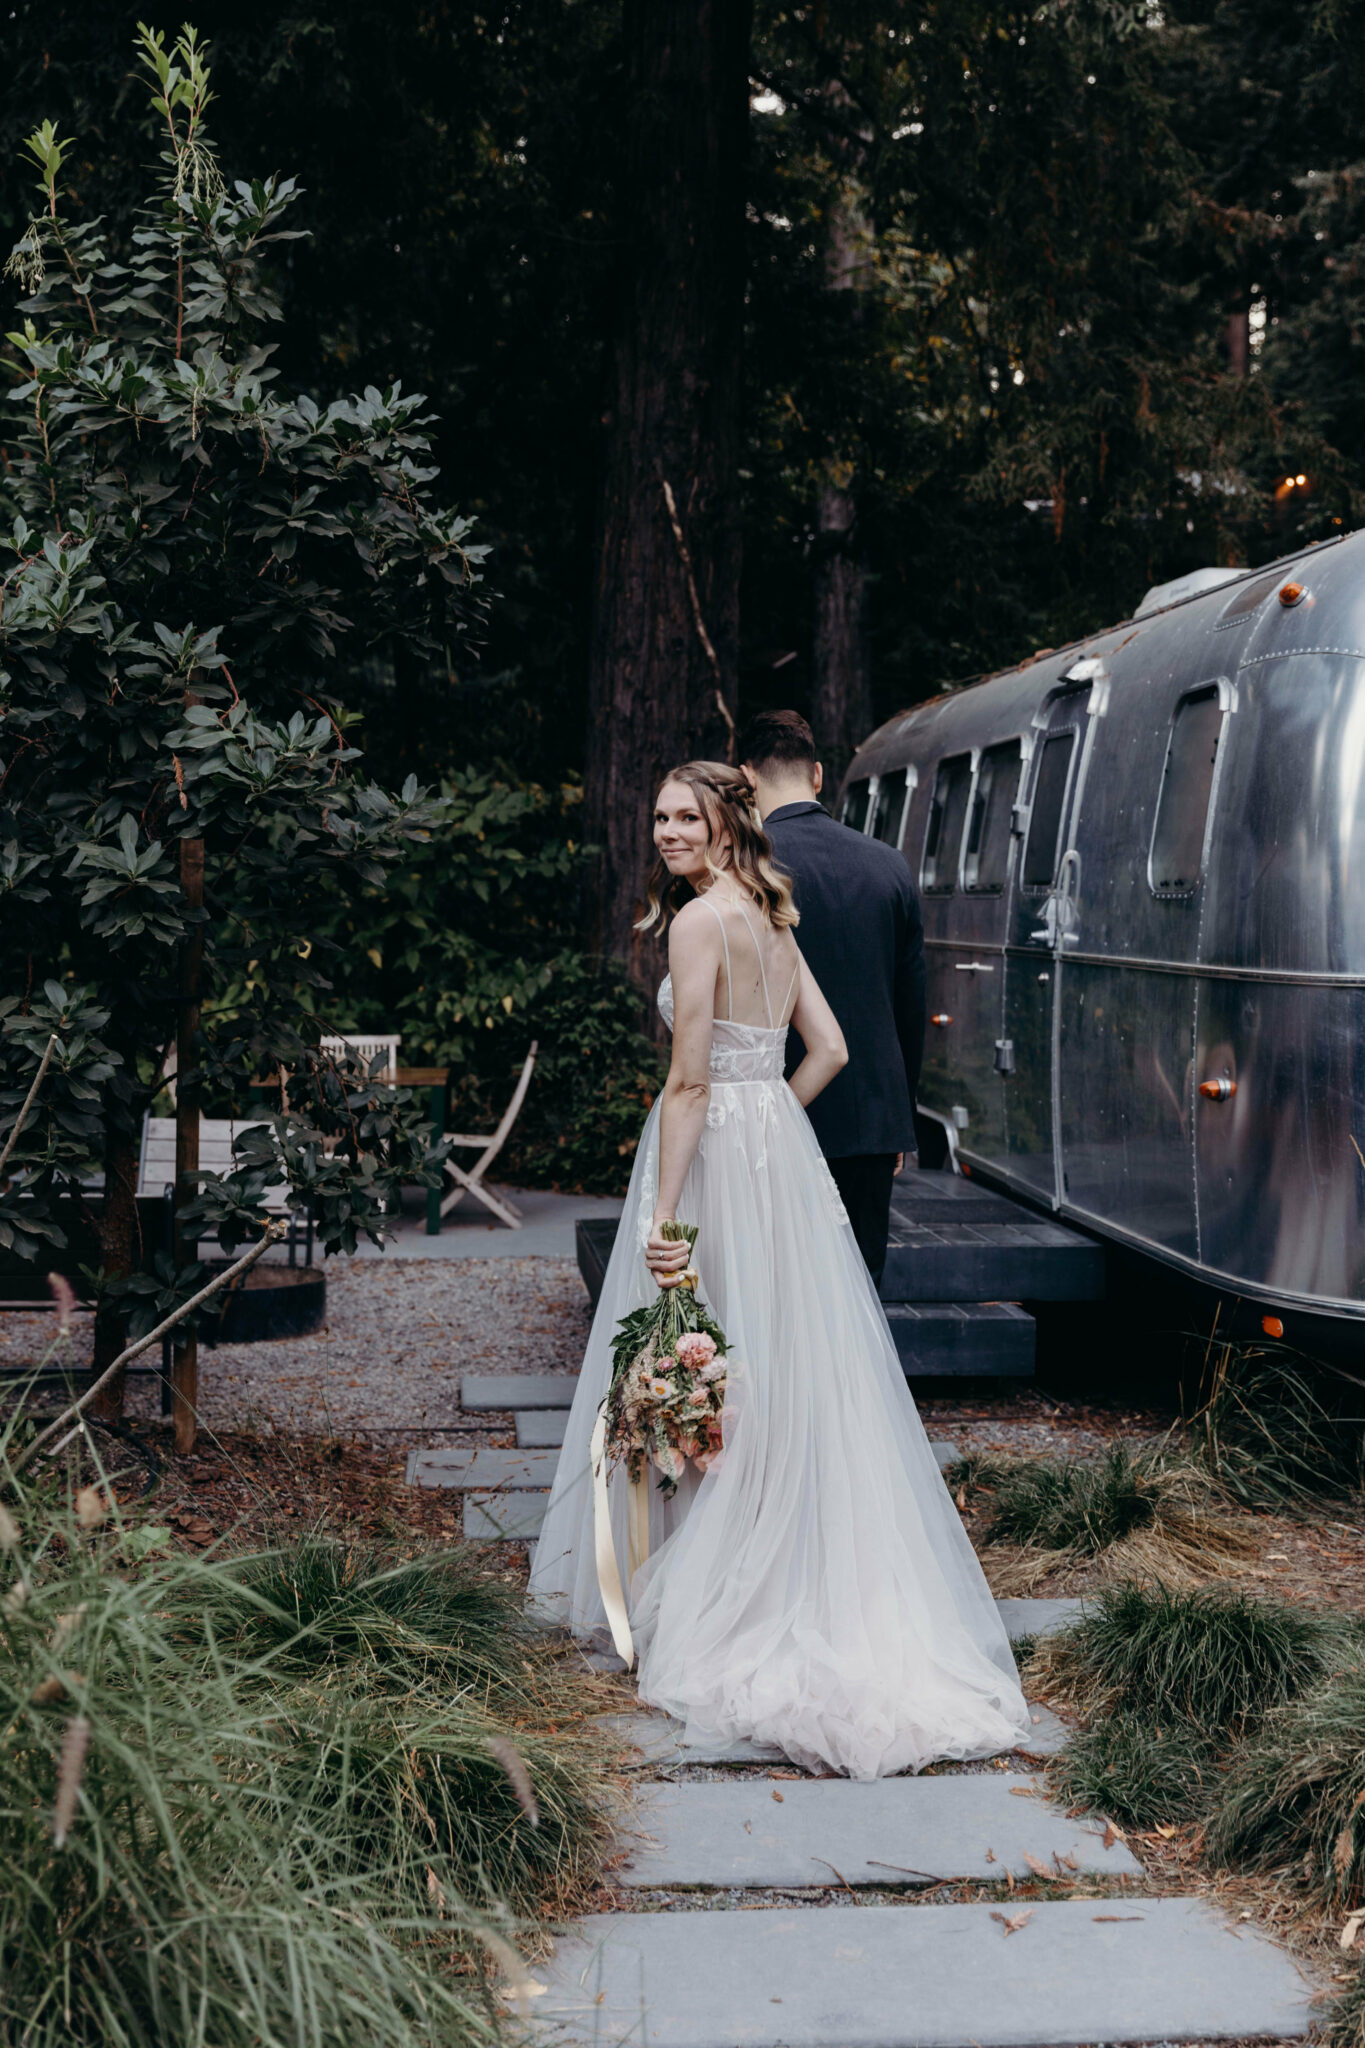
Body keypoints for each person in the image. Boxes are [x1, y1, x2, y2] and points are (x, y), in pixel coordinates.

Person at [528, 761, 1029, 1780]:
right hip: (778, 1159)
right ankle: (780, 1552)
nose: (668, 830)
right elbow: (833, 1048)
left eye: (687, 816)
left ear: (725, 823)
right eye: (660, 814)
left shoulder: (701, 921)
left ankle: (714, 1578)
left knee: (703, 1346)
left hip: (711, 1150)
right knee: (780, 1359)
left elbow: (685, 1080)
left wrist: (668, 1212)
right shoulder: (768, 911)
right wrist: (776, 1127)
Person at [739, 709, 925, 1291]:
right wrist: (900, 1117)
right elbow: (910, 1005)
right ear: (817, 776)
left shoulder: (747, 870)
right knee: (858, 1290)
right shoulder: (889, 865)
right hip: (872, 1116)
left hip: (770, 1112)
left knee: (773, 1285)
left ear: (746, 781)